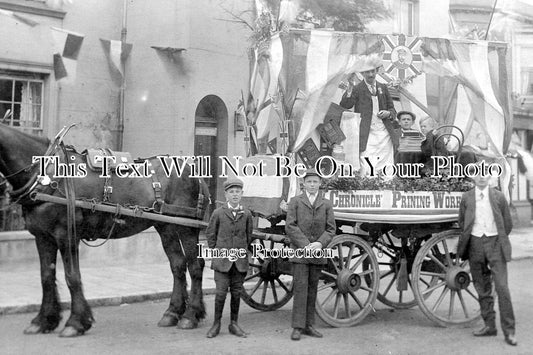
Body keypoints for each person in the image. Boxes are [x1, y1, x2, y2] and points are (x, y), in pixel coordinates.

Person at [457, 169, 517, 346]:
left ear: (490, 176)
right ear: (473, 176)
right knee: (481, 287)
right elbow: (463, 222)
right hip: (475, 245)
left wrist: (496, 239)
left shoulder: (498, 197)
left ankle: (510, 331)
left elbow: (507, 224)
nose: (482, 176)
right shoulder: (467, 197)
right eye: (478, 173)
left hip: (495, 244)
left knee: (502, 288)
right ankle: (489, 325)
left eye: (485, 173)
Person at [285, 169, 336, 341]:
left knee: (312, 289)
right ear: (304, 184)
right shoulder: (295, 202)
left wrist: (320, 244)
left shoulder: (326, 204)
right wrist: (306, 245)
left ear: (320, 184)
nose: (312, 185)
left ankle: (309, 325)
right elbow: (290, 226)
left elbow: (331, 229)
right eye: (309, 182)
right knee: (300, 288)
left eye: (315, 182)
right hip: (300, 253)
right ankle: (298, 327)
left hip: (317, 253)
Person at [205, 178, 253, 338]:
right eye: (231, 192)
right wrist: (219, 253)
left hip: (239, 263)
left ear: (242, 194)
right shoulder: (218, 213)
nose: (234, 195)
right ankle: (216, 324)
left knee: (237, 293)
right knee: (220, 294)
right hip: (222, 262)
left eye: (237, 192)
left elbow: (249, 236)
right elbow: (210, 235)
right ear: (226, 194)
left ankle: (234, 324)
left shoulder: (246, 214)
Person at [339, 54, 398, 176]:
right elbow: (345, 104)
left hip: (384, 134)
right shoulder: (357, 89)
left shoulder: (383, 88)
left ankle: (386, 188)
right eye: (367, 72)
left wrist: (388, 113)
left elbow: (392, 109)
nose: (370, 75)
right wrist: (350, 87)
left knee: (385, 164)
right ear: (362, 73)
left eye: (372, 71)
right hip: (367, 132)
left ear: (376, 71)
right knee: (367, 163)